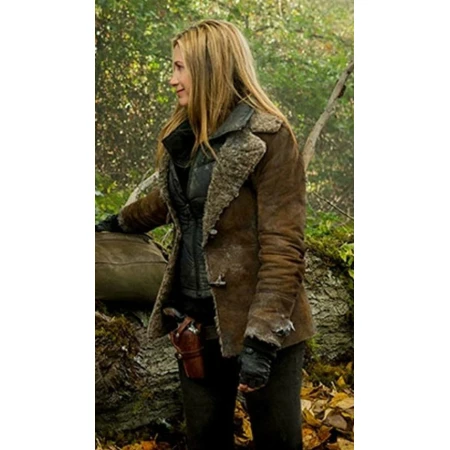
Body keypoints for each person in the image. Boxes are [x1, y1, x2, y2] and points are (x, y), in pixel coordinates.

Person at [96, 19, 315, 450]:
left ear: (210, 67)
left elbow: (284, 246)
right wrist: (120, 222)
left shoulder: (269, 138)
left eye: (180, 67)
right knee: (204, 441)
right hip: (195, 322)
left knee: (278, 443)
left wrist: (262, 338)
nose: (172, 79)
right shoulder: (189, 134)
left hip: (262, 324)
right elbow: (171, 199)